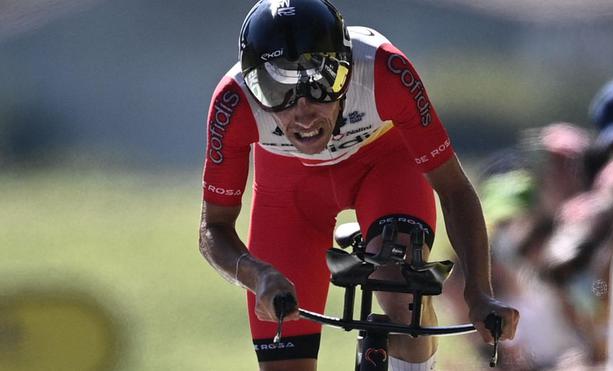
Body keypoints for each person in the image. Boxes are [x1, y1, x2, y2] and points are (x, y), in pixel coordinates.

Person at [197, 1, 519, 370]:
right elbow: (213, 227)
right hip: (290, 192)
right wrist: (260, 274)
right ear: (252, 83)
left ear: (348, 68)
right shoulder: (232, 102)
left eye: (321, 84)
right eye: (275, 90)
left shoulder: (385, 69)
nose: (302, 112)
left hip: (385, 167)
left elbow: (454, 189)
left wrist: (478, 292)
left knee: (401, 293)